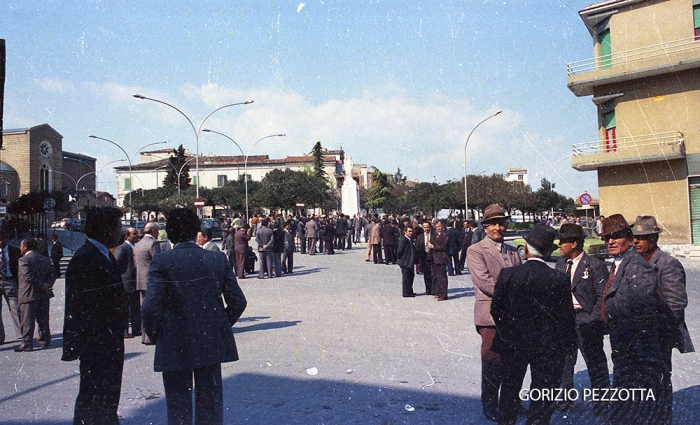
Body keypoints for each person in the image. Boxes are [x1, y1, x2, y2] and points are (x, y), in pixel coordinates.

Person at [141, 208, 247, 425]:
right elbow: (238, 301)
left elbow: (150, 308)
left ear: (169, 232)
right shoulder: (216, 259)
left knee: (178, 405)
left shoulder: (162, 262)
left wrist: (157, 333)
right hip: (210, 341)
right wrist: (219, 325)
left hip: (174, 341)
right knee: (210, 405)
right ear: (195, 231)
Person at [491, 223, 576, 425]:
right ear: (548, 253)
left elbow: (496, 309)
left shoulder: (508, 275)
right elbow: (566, 318)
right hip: (547, 347)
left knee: (510, 391)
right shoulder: (558, 279)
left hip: (513, 343)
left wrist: (509, 331)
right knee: (543, 395)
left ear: (526, 249)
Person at [62, 207, 127, 424]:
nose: (122, 231)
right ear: (108, 230)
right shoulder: (86, 257)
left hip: (107, 344)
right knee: (94, 400)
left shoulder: (101, 254)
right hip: (99, 345)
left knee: (105, 400)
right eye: (119, 227)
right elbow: (81, 307)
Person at [600, 214, 664, 424]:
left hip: (636, 349)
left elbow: (642, 312)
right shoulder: (620, 262)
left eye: (616, 236)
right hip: (624, 347)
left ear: (628, 237)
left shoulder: (638, 266)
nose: (610, 241)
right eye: (606, 237)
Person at [631, 215, 695, 424]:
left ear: (654, 239)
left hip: (658, 336)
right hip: (635, 334)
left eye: (642, 238)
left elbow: (676, 303)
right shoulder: (633, 261)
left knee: (658, 382)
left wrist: (650, 324)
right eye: (634, 237)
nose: (636, 242)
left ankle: (662, 419)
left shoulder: (668, 264)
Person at [467, 204, 522, 422]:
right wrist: (514, 294)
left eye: (502, 223)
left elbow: (521, 277)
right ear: (485, 226)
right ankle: (490, 405)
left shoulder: (511, 250)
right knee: (492, 362)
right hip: (490, 316)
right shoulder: (476, 250)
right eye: (494, 224)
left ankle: (511, 403)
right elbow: (484, 282)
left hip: (514, 317)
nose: (499, 228)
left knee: (514, 363)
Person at [555, 223, 610, 414]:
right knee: (563, 362)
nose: (559, 245)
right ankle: (564, 401)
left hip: (586, 320)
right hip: (565, 321)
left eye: (563, 242)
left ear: (575, 243)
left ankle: (602, 403)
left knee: (595, 363)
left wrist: (594, 321)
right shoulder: (560, 264)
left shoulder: (595, 265)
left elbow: (602, 297)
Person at [16, 237, 56, 351]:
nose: (20, 248)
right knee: (43, 320)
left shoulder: (23, 260)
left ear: (25, 247)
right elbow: (53, 273)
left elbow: (28, 277)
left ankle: (27, 344)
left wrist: (41, 285)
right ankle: (44, 341)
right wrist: (47, 285)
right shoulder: (45, 259)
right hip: (43, 295)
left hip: (28, 294)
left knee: (27, 321)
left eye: (21, 246)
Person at [134, 221, 162, 345]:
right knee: (153, 309)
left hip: (140, 281)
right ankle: (152, 336)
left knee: (144, 309)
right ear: (153, 231)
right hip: (151, 281)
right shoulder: (153, 244)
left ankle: (145, 336)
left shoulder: (138, 244)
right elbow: (158, 263)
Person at [114, 227, 141, 339]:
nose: (136, 235)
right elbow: (116, 264)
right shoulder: (122, 248)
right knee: (126, 308)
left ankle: (136, 329)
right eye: (134, 234)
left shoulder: (135, 247)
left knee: (134, 307)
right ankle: (125, 331)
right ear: (127, 236)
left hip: (134, 282)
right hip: (126, 283)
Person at [0, 230, 21, 346]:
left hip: (10, 281)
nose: (0, 242)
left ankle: (21, 334)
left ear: (6, 238)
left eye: (2, 239)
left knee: (16, 308)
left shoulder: (15, 251)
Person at [430, 221, 450, 300]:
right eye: (437, 226)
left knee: (442, 277)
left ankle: (443, 295)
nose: (438, 228)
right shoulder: (434, 234)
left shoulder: (446, 234)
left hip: (441, 258)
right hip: (434, 258)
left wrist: (433, 246)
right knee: (437, 277)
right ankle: (438, 292)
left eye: (439, 226)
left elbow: (444, 246)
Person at [415, 221, 434, 295]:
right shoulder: (419, 236)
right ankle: (428, 289)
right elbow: (417, 247)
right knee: (426, 274)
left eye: (428, 227)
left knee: (433, 274)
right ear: (422, 228)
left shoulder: (433, 235)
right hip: (424, 257)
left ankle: (433, 289)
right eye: (425, 227)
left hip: (432, 256)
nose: (426, 229)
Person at [396, 226, 416, 297]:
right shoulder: (403, 240)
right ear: (405, 232)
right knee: (406, 278)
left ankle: (410, 290)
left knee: (411, 276)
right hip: (405, 262)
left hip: (410, 261)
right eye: (409, 231)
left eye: (412, 231)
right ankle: (406, 293)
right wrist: (402, 259)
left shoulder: (411, 239)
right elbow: (399, 251)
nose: (411, 233)